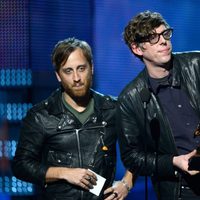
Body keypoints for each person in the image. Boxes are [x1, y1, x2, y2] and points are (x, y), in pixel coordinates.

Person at [12, 38, 133, 200]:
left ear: (92, 68)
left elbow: (140, 149)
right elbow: (20, 165)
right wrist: (64, 173)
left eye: (81, 68)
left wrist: (126, 183)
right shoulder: (41, 115)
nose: (76, 78)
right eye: (68, 71)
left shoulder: (113, 109)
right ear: (58, 76)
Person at [118, 10, 200, 200]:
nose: (163, 41)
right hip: (180, 190)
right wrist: (173, 162)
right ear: (137, 49)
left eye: (165, 34)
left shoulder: (196, 64)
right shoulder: (131, 98)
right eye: (153, 38)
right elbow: (132, 157)